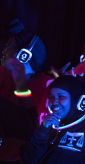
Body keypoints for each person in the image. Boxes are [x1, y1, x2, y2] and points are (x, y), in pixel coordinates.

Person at [20, 75, 85, 164]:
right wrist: (43, 131)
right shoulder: (49, 127)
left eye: (61, 96)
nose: (54, 101)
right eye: (51, 97)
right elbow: (29, 159)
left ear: (77, 100)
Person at [0, 18, 51, 162]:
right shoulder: (5, 75)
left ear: (25, 54)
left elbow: (33, 127)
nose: (3, 51)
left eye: (9, 46)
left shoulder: (46, 85)